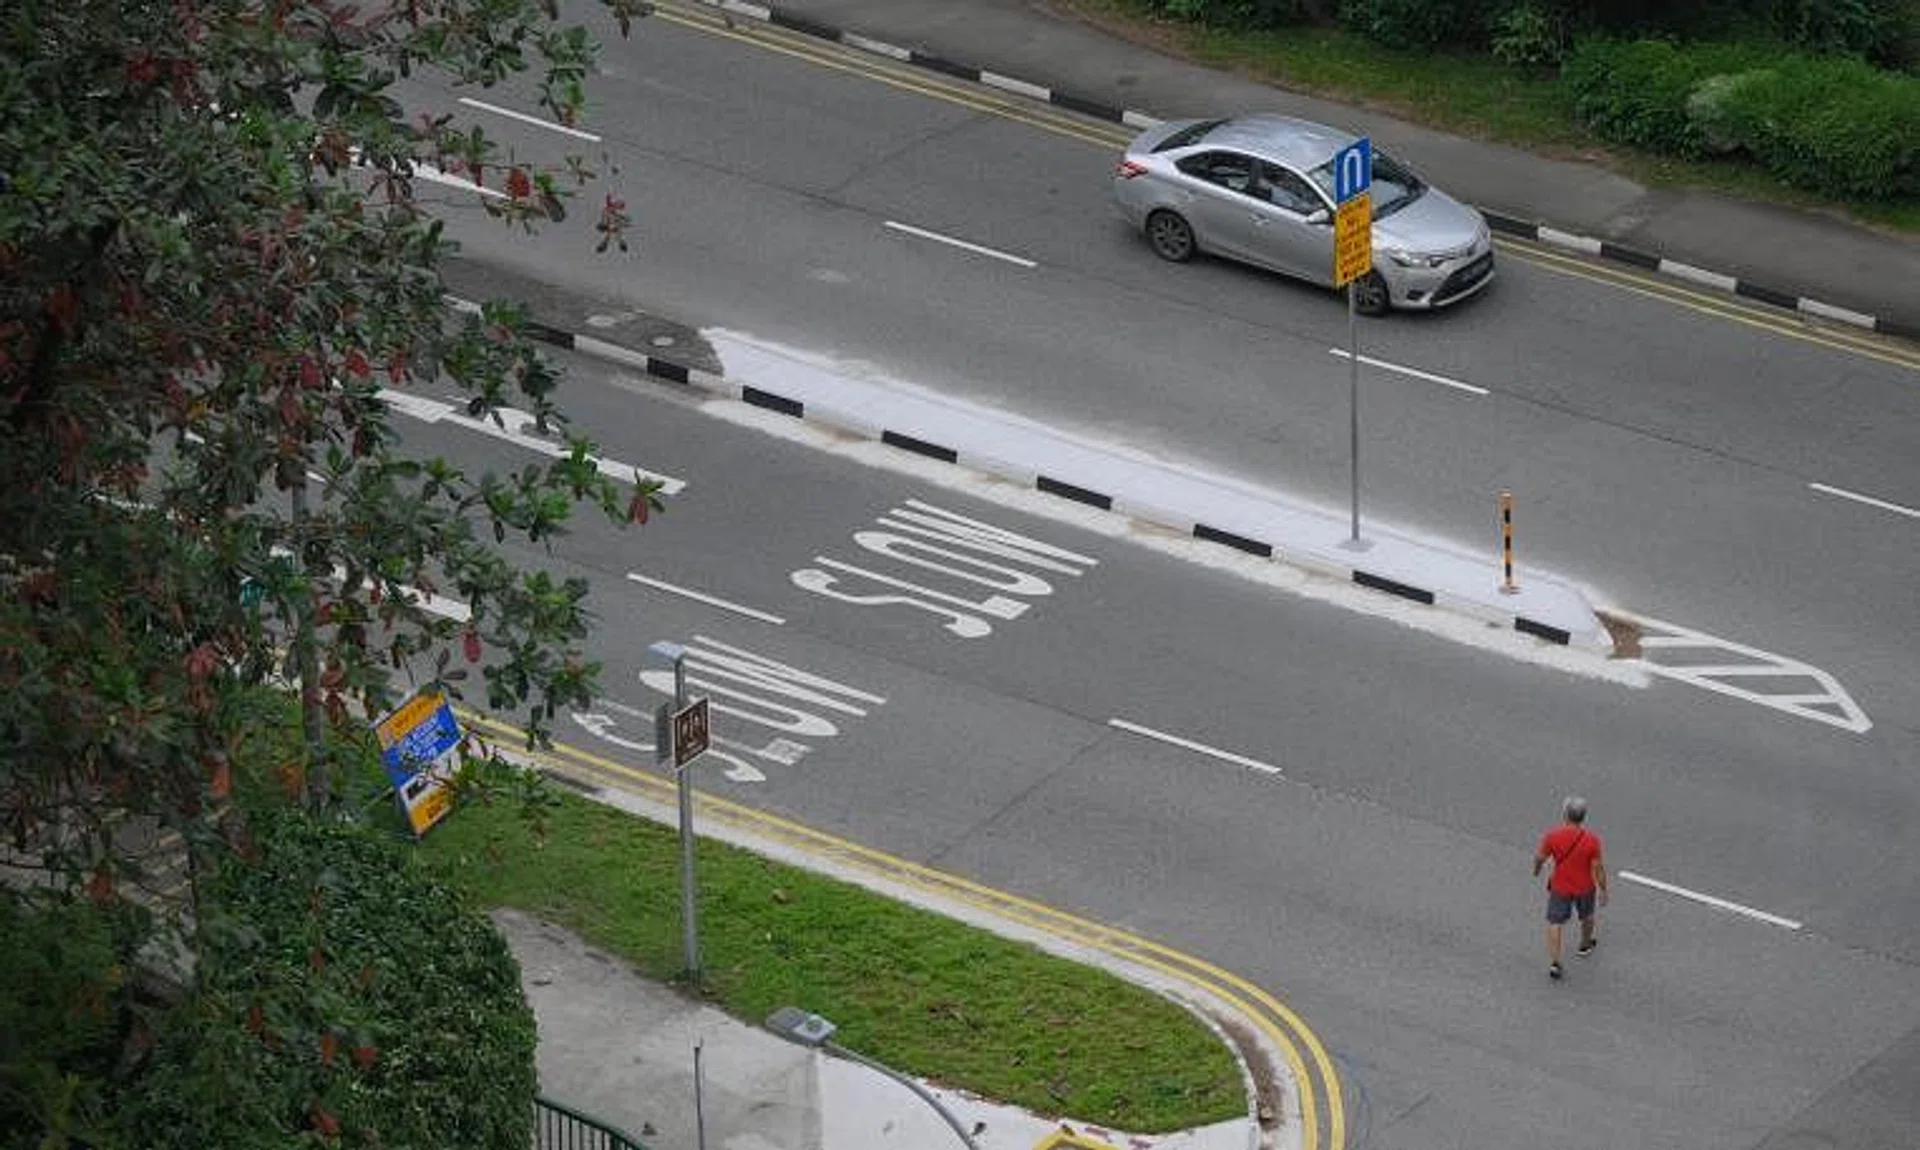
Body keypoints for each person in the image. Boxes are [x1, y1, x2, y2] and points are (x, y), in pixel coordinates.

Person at [1532, 795, 1608, 981]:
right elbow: (1598, 868)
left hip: (1560, 887)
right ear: (1583, 816)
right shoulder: (1592, 840)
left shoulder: (1553, 836)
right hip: (1585, 887)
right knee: (1587, 915)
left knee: (1555, 922)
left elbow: (1540, 857)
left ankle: (1555, 963)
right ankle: (1585, 944)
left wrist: (1537, 870)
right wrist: (1603, 890)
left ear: (1565, 814)